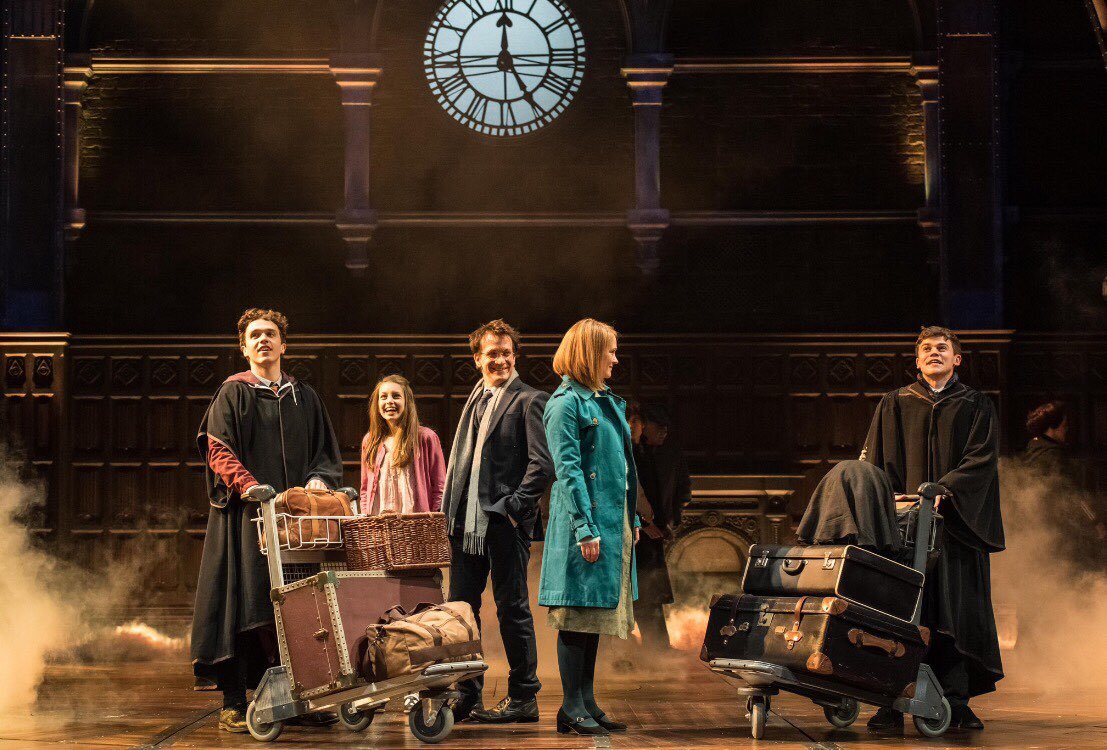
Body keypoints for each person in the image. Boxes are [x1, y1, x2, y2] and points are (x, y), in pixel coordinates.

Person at [191, 309, 343, 732]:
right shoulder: (233, 393)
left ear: (283, 344)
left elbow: (325, 452)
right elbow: (218, 448)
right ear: (244, 347)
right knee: (244, 603)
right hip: (247, 516)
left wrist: (317, 481)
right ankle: (235, 702)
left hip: (297, 521)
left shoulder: (304, 396)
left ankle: (302, 697)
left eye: (270, 334)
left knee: (301, 604)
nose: (263, 340)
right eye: (255, 335)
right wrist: (249, 485)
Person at [859, 326, 1004, 732]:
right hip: (903, 529)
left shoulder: (976, 404)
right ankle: (889, 702)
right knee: (900, 613)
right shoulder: (894, 402)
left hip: (957, 529)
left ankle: (954, 702)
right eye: (926, 348)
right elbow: (873, 462)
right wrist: (887, 502)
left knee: (954, 615)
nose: (933, 352)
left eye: (942, 348)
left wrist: (946, 488)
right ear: (917, 360)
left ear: (957, 359)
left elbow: (982, 459)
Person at [441, 319, 553, 723]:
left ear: (515, 356)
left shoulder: (530, 400)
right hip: (464, 526)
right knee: (461, 612)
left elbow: (543, 465)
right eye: (492, 353)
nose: (501, 359)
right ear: (477, 358)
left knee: (512, 610)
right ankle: (467, 693)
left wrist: (512, 507)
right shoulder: (474, 402)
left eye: (507, 353)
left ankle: (524, 696)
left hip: (503, 524)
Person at [539, 318, 641, 736]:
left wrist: (632, 518)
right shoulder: (565, 404)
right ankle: (570, 707)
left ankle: (587, 701)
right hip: (582, 524)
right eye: (610, 351)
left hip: (610, 523)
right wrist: (584, 527)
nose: (615, 359)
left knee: (594, 613)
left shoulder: (601, 401)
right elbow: (568, 471)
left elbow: (621, 472)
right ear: (590, 353)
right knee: (576, 614)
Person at [631, 403, 689, 653]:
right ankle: (649, 649)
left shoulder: (649, 453)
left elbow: (674, 490)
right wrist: (643, 522)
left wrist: (665, 521)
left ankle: (658, 648)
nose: (663, 431)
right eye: (658, 425)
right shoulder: (632, 453)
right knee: (641, 593)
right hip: (636, 533)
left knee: (649, 592)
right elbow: (627, 493)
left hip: (650, 531)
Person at [1019, 401, 1106, 556]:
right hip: (1056, 528)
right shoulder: (1055, 456)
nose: (1067, 430)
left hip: (1034, 527)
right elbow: (1074, 495)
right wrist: (1095, 522)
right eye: (1064, 426)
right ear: (1052, 428)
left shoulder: (1033, 448)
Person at [359, 375, 446, 515]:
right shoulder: (370, 441)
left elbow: (440, 486)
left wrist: (434, 518)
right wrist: (366, 514)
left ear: (407, 402)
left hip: (417, 522)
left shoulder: (426, 438)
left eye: (396, 396)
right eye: (383, 397)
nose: (389, 401)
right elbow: (365, 488)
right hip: (379, 522)